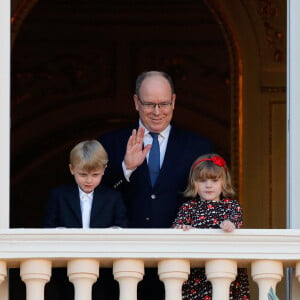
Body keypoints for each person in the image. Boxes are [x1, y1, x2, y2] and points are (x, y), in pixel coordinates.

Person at [99, 70, 213, 299]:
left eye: (163, 104)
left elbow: (212, 199)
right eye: (150, 104)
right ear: (135, 102)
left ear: (173, 101)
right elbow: (97, 198)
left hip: (180, 266)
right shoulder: (110, 143)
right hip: (122, 265)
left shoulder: (198, 147)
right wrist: (126, 169)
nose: (157, 112)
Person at [44, 140, 128, 300]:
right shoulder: (59, 195)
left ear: (104, 170)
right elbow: (48, 226)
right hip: (67, 269)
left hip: (104, 271)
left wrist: (114, 231)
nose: (89, 180)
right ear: (71, 169)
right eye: (83, 174)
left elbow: (122, 225)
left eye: (95, 175)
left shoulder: (113, 197)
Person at [172, 153, 250, 300]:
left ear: (223, 182)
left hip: (225, 268)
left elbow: (235, 220)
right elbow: (177, 226)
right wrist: (183, 228)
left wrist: (230, 224)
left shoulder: (231, 206)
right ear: (194, 182)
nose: (208, 185)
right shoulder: (188, 207)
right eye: (202, 180)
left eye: (214, 180)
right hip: (196, 273)